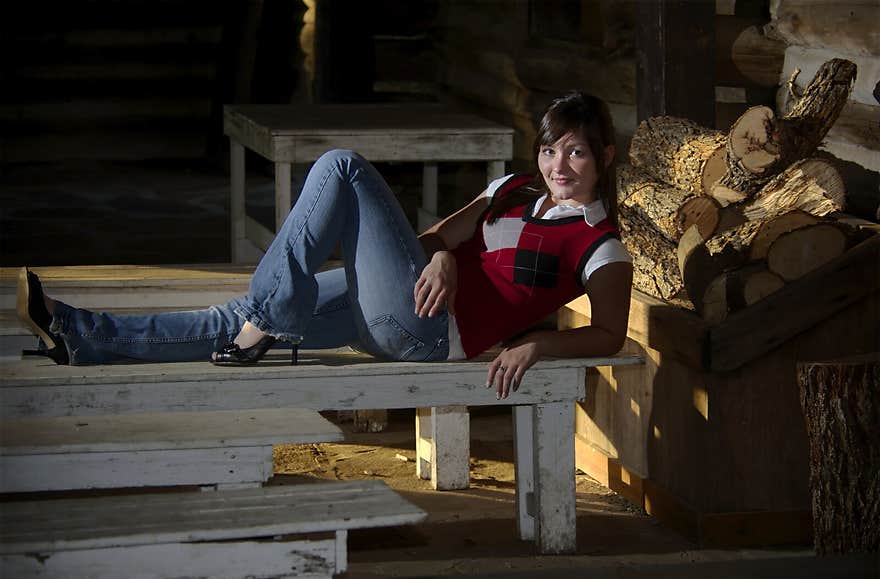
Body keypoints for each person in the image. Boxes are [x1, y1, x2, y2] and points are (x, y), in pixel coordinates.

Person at [17, 90, 633, 400]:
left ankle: (270, 315)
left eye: (575, 151)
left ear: (603, 156)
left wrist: (535, 344)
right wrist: (445, 254)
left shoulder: (600, 245)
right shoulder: (513, 187)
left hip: (429, 333)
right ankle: (81, 334)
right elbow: (427, 239)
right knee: (231, 319)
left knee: (340, 168)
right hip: (403, 296)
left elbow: (608, 333)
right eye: (550, 149)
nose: (558, 164)